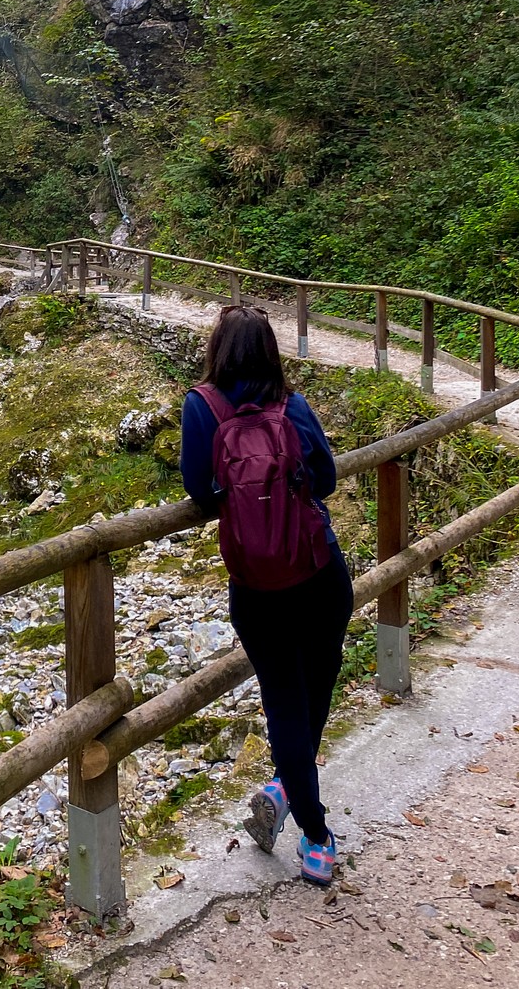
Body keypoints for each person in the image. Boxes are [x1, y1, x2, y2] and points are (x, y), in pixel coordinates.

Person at [180, 304, 353, 885]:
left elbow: (197, 489)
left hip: (256, 586)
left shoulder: (202, 406)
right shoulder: (293, 405)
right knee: (314, 690)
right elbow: (326, 480)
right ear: (272, 350)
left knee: (284, 704)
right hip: (320, 572)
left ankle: (314, 830)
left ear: (218, 349)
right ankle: (298, 802)